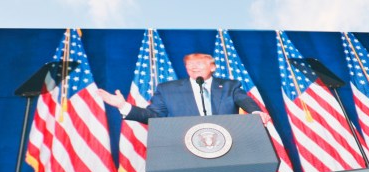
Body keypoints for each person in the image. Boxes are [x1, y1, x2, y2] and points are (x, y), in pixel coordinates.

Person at [98, 53, 271, 124]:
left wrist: (256, 113)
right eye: (190, 65)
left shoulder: (229, 86)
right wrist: (123, 106)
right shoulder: (167, 89)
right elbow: (153, 116)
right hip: (187, 151)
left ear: (212, 67)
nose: (194, 68)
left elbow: (244, 100)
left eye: (199, 64)